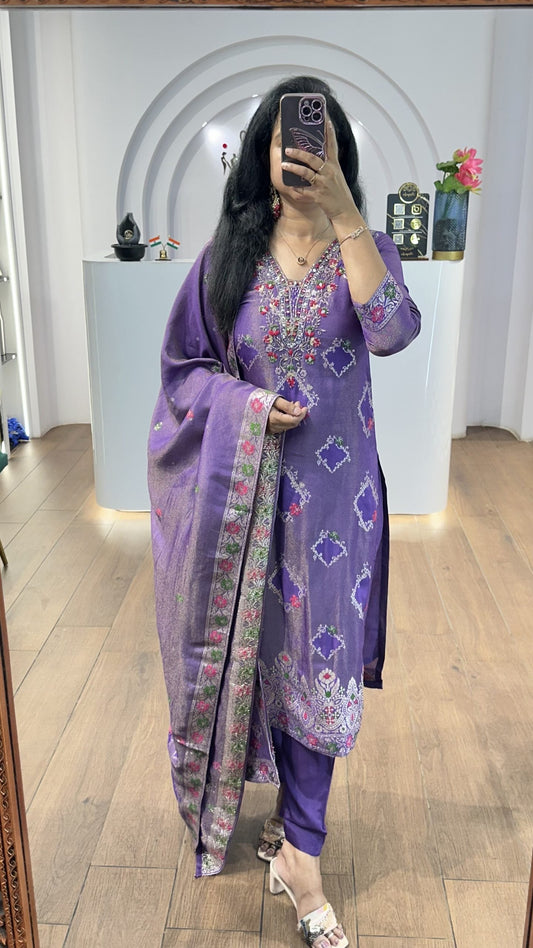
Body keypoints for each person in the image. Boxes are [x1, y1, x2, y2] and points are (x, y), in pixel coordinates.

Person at [148, 75, 421, 948]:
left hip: (339, 508)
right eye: (286, 139)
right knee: (261, 655)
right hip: (246, 502)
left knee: (320, 665)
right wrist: (249, 408)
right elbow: (185, 371)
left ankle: (303, 850)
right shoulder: (226, 257)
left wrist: (345, 213)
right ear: (262, 154)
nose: (300, 151)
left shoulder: (366, 246)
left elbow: (393, 331)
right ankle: (281, 817)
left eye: (318, 138)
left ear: (337, 152)